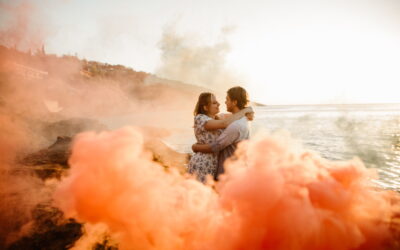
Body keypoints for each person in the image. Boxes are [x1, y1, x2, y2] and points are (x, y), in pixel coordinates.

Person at [187, 92, 253, 182]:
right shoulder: (200, 118)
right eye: (214, 103)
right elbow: (225, 123)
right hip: (202, 163)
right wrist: (245, 111)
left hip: (212, 164)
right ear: (206, 107)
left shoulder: (217, 117)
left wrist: (248, 111)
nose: (219, 104)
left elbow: (236, 115)